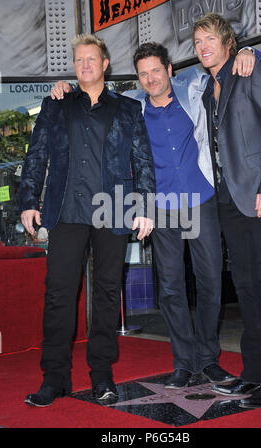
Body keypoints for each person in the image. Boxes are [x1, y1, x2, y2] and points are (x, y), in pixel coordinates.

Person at [51, 42, 256, 389]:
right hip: (161, 207)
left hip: (198, 198)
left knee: (209, 281)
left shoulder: (192, 88)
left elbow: (221, 61)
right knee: (172, 287)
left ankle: (207, 358)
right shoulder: (132, 107)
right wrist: (64, 88)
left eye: (156, 71)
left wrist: (251, 51)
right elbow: (95, 91)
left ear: (169, 69)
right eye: (143, 74)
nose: (150, 79)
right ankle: (183, 360)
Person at [20, 33, 156, 407]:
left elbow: (142, 160)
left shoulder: (128, 109)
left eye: (91, 59)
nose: (84, 66)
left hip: (113, 209)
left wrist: (144, 206)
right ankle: (55, 378)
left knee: (108, 293)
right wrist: (28, 200)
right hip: (66, 211)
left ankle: (102, 376)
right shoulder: (57, 104)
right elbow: (37, 154)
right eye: (79, 60)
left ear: (104, 64)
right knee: (59, 294)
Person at [193, 13, 261, 408]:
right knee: (248, 289)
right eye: (197, 41)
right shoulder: (207, 89)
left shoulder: (250, 71)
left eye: (210, 40)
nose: (203, 47)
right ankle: (255, 371)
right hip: (230, 202)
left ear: (228, 43)